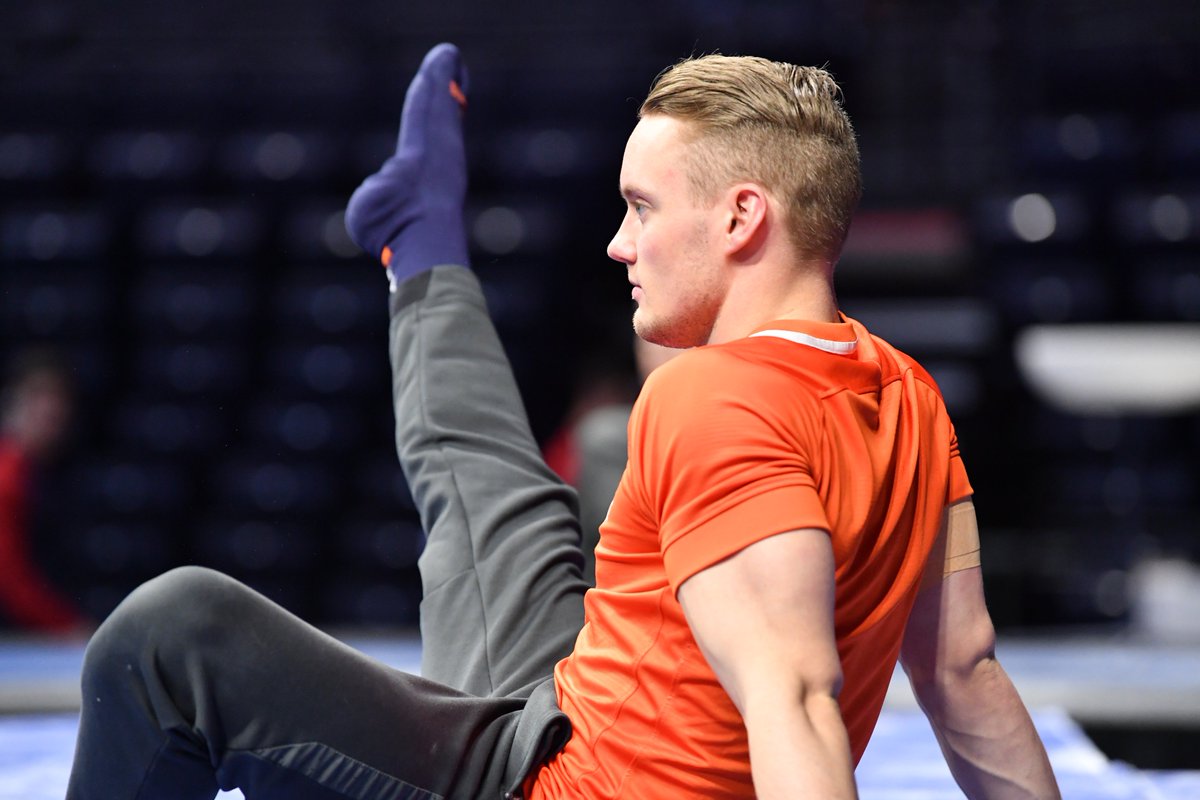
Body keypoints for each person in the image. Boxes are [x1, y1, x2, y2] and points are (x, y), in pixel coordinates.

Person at [66, 43, 1060, 799]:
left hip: (552, 787)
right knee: (501, 507)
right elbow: (964, 670)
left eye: (641, 206)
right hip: (561, 725)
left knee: (168, 630)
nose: (619, 242)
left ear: (742, 218)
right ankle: (425, 241)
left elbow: (794, 696)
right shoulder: (910, 394)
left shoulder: (711, 394)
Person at [0, 347, 87, 634]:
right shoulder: (7, 476)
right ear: (12, 402)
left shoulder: (44, 472)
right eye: (38, 396)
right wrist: (68, 628)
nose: (50, 410)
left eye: (58, 399)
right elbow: (10, 579)